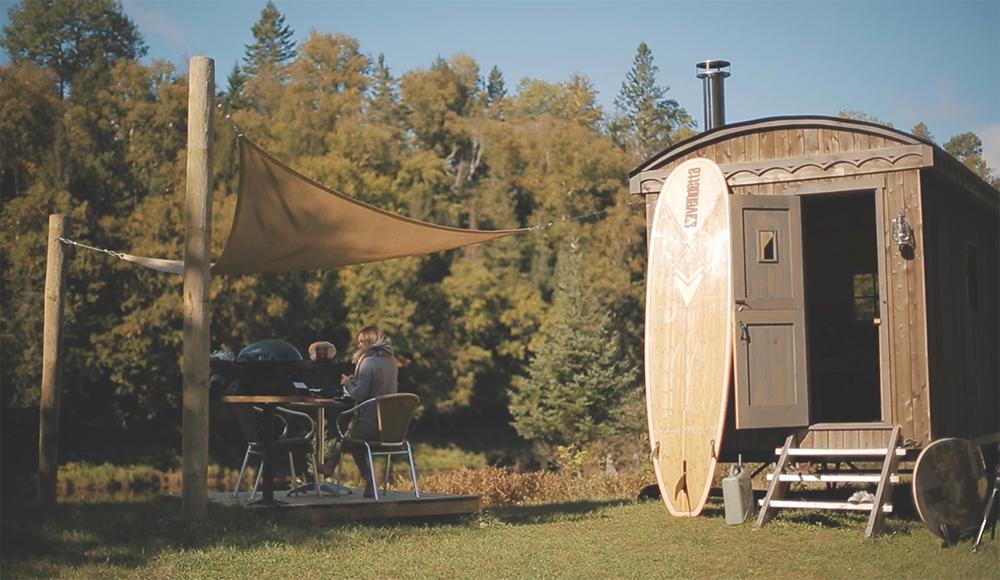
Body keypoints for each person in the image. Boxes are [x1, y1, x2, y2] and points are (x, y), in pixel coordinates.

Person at [318, 325, 398, 497]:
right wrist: (359, 380)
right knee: (351, 437)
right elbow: (377, 387)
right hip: (391, 427)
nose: (359, 345)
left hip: (372, 424)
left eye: (362, 342)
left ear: (371, 342)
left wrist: (347, 383)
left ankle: (335, 468)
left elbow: (359, 395)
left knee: (349, 438)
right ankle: (335, 468)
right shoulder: (391, 361)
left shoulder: (367, 362)